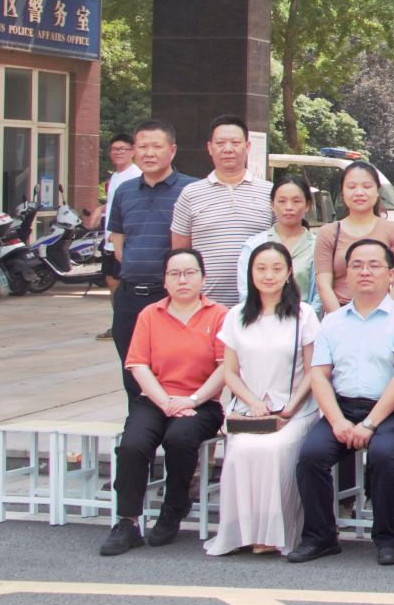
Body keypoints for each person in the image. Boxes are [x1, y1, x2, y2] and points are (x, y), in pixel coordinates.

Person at [291, 237, 394, 565]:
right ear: (346, 274)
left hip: (392, 411)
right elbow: (319, 376)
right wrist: (337, 421)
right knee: (311, 456)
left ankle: (387, 539)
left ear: (391, 275)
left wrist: (370, 423)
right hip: (343, 407)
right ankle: (320, 537)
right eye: (357, 266)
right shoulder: (332, 321)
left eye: (374, 265)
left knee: (382, 455)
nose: (365, 272)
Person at [100, 248, 228, 555]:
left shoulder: (219, 315)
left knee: (180, 439)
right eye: (174, 274)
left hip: (201, 402)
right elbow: (137, 365)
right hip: (155, 399)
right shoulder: (150, 314)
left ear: (203, 278)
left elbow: (226, 368)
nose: (182, 280)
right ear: (165, 280)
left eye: (190, 273)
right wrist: (166, 402)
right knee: (132, 445)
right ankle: (127, 522)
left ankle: (174, 507)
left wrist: (192, 400)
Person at [205, 241, 321, 557]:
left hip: (296, 408)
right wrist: (254, 403)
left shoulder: (304, 315)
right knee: (242, 450)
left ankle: (274, 534)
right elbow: (230, 372)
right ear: (250, 273)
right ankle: (243, 531)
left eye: (276, 268)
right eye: (261, 269)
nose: (269, 275)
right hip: (248, 409)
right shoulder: (236, 315)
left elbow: (314, 370)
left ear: (288, 273)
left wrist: (290, 407)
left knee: (275, 449)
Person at [106, 119, 197, 399]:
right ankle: (138, 422)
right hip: (130, 296)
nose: (149, 153)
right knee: (132, 370)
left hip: (170, 298)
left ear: (172, 150)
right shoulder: (124, 191)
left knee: (175, 371)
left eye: (157, 146)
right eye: (143, 147)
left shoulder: (192, 190)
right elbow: (118, 243)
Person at [169, 114, 274, 309]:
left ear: (247, 146)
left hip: (259, 307)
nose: (228, 149)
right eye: (220, 143)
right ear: (210, 148)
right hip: (204, 307)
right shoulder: (190, 194)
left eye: (235, 142)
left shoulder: (270, 193)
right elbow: (180, 253)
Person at [315, 161, 394, 313]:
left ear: (377, 191)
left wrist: (385, 317)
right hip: (339, 313)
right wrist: (340, 320)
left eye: (367, 186)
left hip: (383, 314)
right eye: (351, 187)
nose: (359, 192)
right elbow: (323, 285)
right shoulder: (328, 233)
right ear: (342, 192)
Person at [233, 172, 319, 308]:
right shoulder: (254, 245)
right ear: (272, 205)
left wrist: (305, 319)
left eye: (296, 201)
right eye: (282, 201)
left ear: (307, 205)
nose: (289, 207)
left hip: (303, 318)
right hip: (260, 318)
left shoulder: (317, 246)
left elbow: (319, 297)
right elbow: (245, 293)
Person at [97, 130, 139, 332]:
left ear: (132, 151)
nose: (118, 152)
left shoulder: (136, 176)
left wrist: (120, 234)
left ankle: (125, 324)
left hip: (124, 241)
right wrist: (99, 210)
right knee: (111, 281)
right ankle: (118, 322)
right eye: (115, 149)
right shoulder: (115, 176)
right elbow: (114, 203)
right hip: (110, 240)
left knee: (122, 283)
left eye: (123, 149)